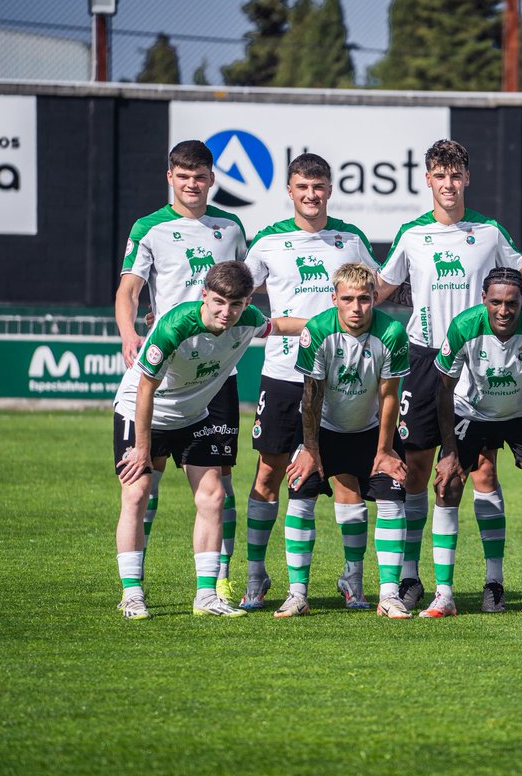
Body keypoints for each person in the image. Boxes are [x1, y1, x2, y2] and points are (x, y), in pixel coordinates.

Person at [375, 139, 522, 613]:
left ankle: (493, 581)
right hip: (423, 360)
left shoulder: (488, 231)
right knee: (418, 470)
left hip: (479, 360)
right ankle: (411, 577)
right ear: (428, 180)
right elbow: (378, 289)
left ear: (466, 179)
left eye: (455, 175)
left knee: (481, 469)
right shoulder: (411, 234)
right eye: (439, 176)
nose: (448, 184)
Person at [113, 261, 304, 619]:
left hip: (192, 416)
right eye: (218, 302)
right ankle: (132, 594)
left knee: (214, 495)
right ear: (204, 295)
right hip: (142, 412)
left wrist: (330, 326)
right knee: (137, 492)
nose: (226, 312)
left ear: (247, 302)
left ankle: (206, 596)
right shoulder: (175, 325)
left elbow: (279, 325)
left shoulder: (246, 321)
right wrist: (141, 448)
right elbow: (144, 388)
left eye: (236, 304)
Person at [240, 154, 379, 612]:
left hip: (342, 379)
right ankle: (257, 576)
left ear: (330, 189)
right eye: (302, 186)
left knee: (345, 479)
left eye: (318, 186)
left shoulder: (350, 240)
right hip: (284, 375)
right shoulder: (268, 241)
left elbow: (379, 289)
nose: (311, 195)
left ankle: (352, 580)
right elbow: (238, 297)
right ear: (290, 189)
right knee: (269, 474)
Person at [114, 140, 248, 599]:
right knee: (143, 481)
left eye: (200, 176)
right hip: (168, 366)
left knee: (220, 482)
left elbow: (242, 287)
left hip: (216, 376)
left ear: (211, 179)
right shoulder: (149, 227)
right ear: (170, 177)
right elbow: (129, 289)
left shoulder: (229, 227)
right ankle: (134, 587)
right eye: (183, 175)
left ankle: (220, 579)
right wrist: (130, 333)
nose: (192, 184)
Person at [426, 268, 522, 621]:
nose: (504, 310)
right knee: (447, 484)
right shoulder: (464, 327)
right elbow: (442, 391)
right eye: (496, 302)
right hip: (472, 413)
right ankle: (444, 594)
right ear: (484, 301)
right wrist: (449, 453)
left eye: (512, 303)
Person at [282, 264, 413, 619]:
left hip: (371, 431)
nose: (357, 307)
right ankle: (297, 595)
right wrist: (310, 450)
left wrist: (384, 451)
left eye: (365, 299)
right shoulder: (318, 330)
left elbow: (389, 397)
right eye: (349, 299)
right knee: (300, 493)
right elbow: (311, 396)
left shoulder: (393, 333)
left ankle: (387, 594)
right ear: (334, 299)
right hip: (322, 429)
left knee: (392, 498)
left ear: (374, 299)